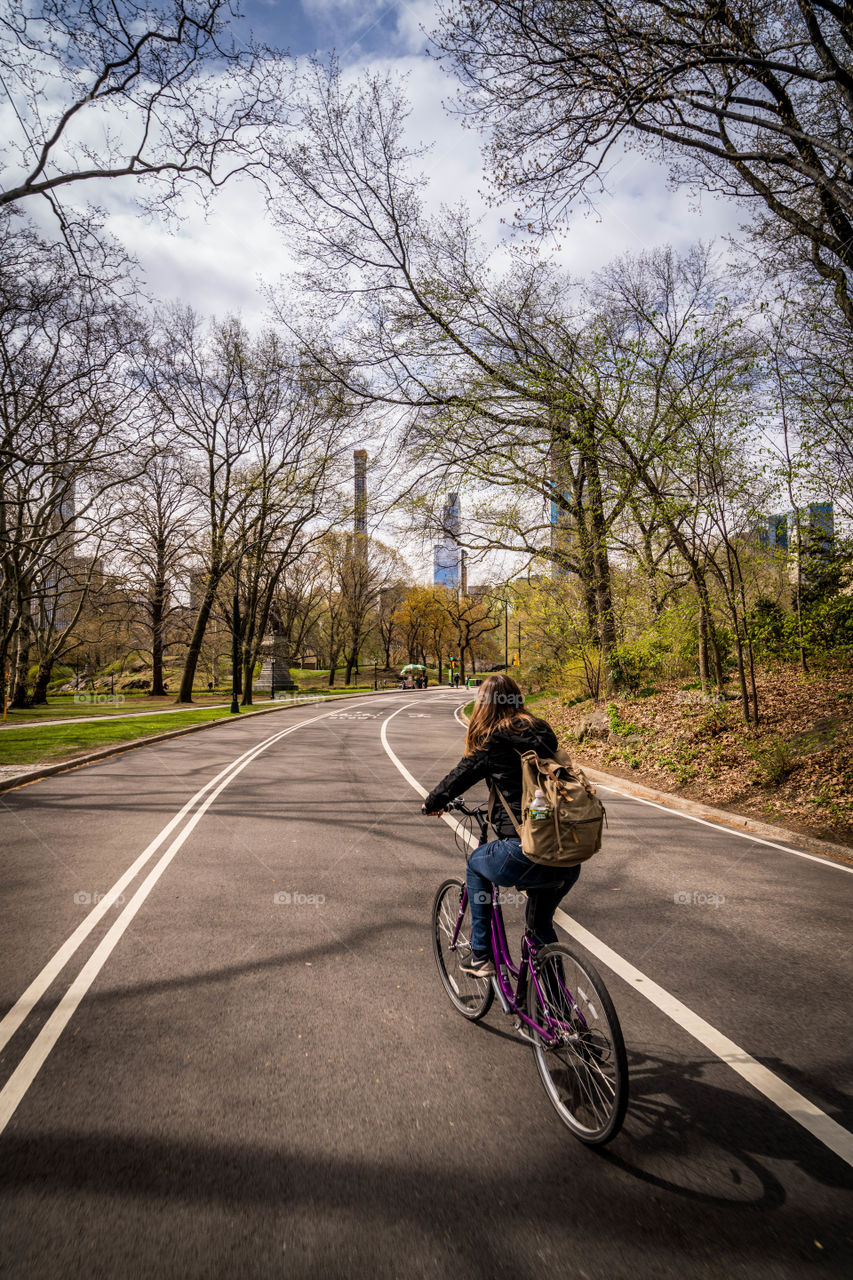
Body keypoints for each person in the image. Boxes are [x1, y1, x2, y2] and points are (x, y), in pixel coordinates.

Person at [421, 673, 580, 977]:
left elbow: (461, 775)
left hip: (526, 849)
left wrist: (432, 802)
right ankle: (561, 1018)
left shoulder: (495, 739)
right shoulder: (541, 730)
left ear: (484, 705)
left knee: (476, 865)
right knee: (540, 927)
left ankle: (480, 954)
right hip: (568, 851)